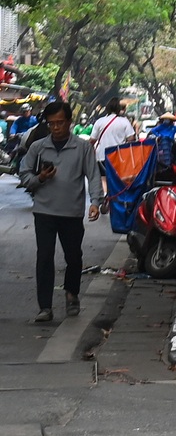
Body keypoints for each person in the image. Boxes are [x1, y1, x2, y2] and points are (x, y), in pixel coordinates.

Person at [18, 100, 102, 323]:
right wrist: (40, 178)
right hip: (44, 211)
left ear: (69, 122)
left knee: (73, 257)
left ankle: (71, 293)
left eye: (60, 123)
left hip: (72, 212)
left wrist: (95, 202)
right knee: (44, 257)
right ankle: (45, 307)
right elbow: (24, 175)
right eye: (52, 123)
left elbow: (93, 175)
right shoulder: (38, 148)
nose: (56, 127)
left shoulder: (82, 148)